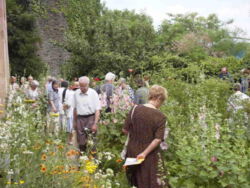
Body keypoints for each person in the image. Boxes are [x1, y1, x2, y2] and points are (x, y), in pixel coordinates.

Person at [123, 85, 168, 188]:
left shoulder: (135, 109)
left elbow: (125, 130)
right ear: (158, 98)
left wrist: (137, 133)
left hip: (132, 151)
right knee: (150, 182)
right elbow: (157, 139)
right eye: (162, 101)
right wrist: (144, 153)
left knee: (135, 181)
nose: (161, 104)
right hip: (148, 155)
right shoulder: (161, 116)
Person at [73, 76, 101, 151]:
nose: (82, 88)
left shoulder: (93, 93)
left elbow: (97, 110)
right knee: (81, 142)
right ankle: (82, 158)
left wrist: (95, 123)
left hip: (90, 118)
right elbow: (75, 109)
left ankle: (92, 160)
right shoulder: (76, 93)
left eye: (84, 86)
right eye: (80, 86)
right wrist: (75, 122)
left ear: (88, 84)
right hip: (80, 119)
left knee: (91, 141)